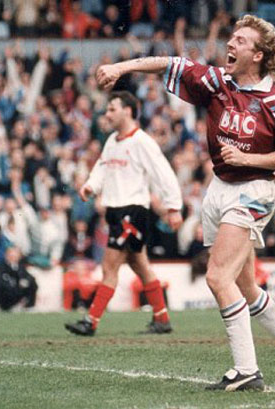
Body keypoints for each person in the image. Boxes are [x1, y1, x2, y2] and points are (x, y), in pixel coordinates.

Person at [95, 15, 275, 390]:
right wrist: (122, 67)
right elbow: (172, 64)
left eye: (240, 40)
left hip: (254, 190)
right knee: (246, 287)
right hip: (220, 189)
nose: (230, 45)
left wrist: (248, 159)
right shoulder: (218, 82)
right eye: (231, 38)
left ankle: (247, 370)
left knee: (217, 276)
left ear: (259, 54)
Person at [65, 91, 183, 336]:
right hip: (116, 211)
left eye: (111, 109)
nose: (107, 114)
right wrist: (90, 185)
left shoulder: (142, 141)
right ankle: (162, 318)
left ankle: (91, 321)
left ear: (128, 110)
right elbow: (101, 168)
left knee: (110, 266)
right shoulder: (112, 141)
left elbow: (163, 173)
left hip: (133, 211)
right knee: (139, 264)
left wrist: (173, 207)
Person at [0, 246, 38, 311]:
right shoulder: (2, 267)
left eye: (15, 257)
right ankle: (10, 307)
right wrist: (14, 286)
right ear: (6, 256)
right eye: (11, 256)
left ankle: (29, 306)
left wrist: (25, 282)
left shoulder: (20, 267)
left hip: (17, 291)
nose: (12, 259)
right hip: (6, 296)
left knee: (32, 284)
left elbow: (29, 277)